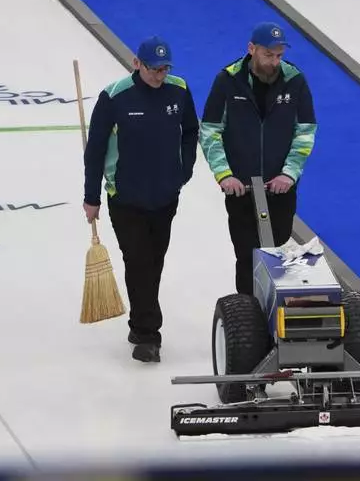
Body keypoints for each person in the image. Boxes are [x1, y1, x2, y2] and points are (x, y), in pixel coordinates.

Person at [83, 36, 198, 363]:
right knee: (138, 260)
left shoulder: (179, 90)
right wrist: (91, 196)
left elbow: (190, 130)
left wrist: (184, 170)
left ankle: (139, 321)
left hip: (164, 195)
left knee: (154, 262)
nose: (159, 76)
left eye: (164, 69)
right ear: (137, 63)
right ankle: (149, 335)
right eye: (153, 69)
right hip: (126, 198)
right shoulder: (114, 97)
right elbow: (95, 152)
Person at [199, 22, 317, 296]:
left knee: (277, 251)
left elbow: (305, 132)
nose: (274, 62)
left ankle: (274, 309)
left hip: (280, 187)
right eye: (268, 55)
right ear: (251, 49)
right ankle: (246, 314)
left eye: (279, 55)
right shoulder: (227, 80)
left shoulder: (295, 80)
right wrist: (224, 174)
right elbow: (210, 130)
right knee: (246, 254)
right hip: (241, 187)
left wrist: (289, 173)